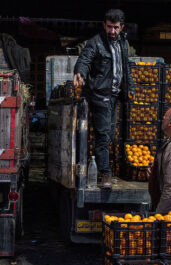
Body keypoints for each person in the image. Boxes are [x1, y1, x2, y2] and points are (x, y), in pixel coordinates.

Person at [73, 9, 134, 188]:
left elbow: (126, 67)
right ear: (104, 25)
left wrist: (130, 86)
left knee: (108, 135)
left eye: (115, 28)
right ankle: (105, 174)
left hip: (115, 96)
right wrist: (79, 72)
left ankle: (104, 169)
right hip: (100, 95)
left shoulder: (123, 42)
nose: (112, 31)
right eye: (109, 27)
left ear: (122, 27)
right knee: (103, 135)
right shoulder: (96, 42)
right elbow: (85, 58)